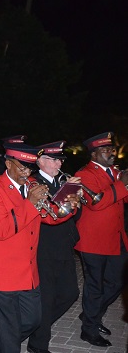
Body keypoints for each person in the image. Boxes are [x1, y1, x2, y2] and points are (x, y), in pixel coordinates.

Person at [0, 141, 80, 353]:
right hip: (1, 273)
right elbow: (2, 230)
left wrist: (67, 208)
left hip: (28, 272)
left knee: (34, 320)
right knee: (11, 332)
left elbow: (49, 217)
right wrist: (30, 203)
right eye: (21, 167)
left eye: (29, 167)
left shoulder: (31, 186)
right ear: (8, 164)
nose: (26, 172)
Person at [26, 141, 81, 353]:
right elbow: (47, 215)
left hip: (64, 245)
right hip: (44, 247)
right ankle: (38, 345)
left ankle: (37, 326)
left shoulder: (63, 180)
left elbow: (73, 215)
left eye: (60, 159)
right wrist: (68, 199)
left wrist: (77, 199)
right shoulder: (34, 183)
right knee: (47, 299)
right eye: (54, 159)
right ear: (40, 161)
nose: (59, 163)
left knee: (70, 294)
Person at [74, 132, 128, 347]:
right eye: (105, 150)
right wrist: (122, 184)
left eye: (111, 149)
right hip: (93, 240)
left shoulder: (116, 173)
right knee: (95, 286)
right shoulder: (84, 174)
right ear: (94, 154)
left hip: (116, 237)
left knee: (117, 282)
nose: (111, 153)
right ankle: (88, 329)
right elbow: (96, 203)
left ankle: (91, 315)